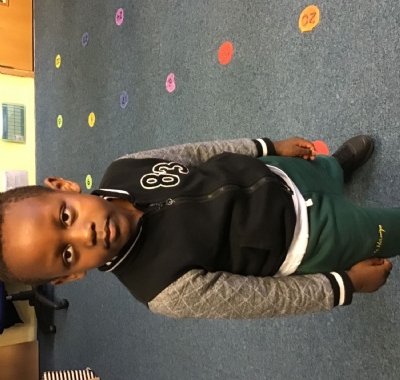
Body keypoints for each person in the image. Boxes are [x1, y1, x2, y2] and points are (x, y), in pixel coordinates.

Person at [0, 136, 394, 319]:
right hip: (309, 239)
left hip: (275, 174)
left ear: (63, 187)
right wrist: (344, 285)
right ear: (70, 276)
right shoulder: (161, 290)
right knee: (387, 229)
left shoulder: (123, 167)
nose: (83, 235)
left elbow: (197, 154)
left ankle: (336, 169)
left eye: (65, 217)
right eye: (67, 253)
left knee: (323, 169)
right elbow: (263, 299)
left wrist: (266, 147)